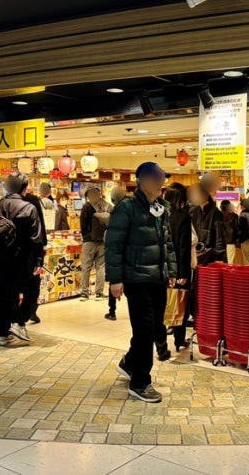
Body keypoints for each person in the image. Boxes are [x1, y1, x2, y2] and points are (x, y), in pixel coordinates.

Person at [106, 162, 176, 403]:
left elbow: (167, 243)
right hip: (136, 277)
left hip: (158, 277)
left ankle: (129, 362)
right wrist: (115, 279)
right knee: (144, 329)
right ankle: (140, 382)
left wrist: (171, 270)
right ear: (142, 182)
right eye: (155, 179)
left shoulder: (161, 208)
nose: (160, 184)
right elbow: (113, 245)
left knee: (154, 327)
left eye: (161, 179)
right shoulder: (126, 208)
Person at [0, 173, 45, 346]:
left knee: (3, 296)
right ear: (24, 188)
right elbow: (36, 238)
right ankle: (19, 322)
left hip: (1, 260)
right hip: (23, 260)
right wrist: (38, 261)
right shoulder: (29, 208)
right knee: (32, 289)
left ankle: (1, 335)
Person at [163, 183, 193, 352]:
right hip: (178, 267)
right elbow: (183, 248)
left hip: (162, 268)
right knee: (180, 302)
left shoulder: (160, 215)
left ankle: (161, 344)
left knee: (163, 303)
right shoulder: (183, 217)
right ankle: (179, 340)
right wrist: (182, 273)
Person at [79, 187, 111, 300]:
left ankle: (84, 293)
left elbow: (83, 225)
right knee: (101, 267)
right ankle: (99, 293)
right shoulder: (106, 207)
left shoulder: (86, 207)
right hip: (102, 241)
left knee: (86, 267)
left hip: (89, 241)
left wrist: (85, 237)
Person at [188, 184, 227, 265]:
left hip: (211, 256)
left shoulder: (215, 212)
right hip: (197, 255)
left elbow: (220, 237)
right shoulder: (194, 211)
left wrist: (219, 257)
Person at [104, 187, 127, 322]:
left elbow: (112, 243)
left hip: (118, 257)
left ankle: (112, 311)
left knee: (115, 283)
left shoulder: (115, 212)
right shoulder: (133, 209)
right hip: (130, 260)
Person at [220, 200, 239, 264]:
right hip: (231, 241)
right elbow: (236, 229)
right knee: (230, 261)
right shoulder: (233, 215)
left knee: (222, 261)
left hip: (220, 242)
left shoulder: (218, 215)